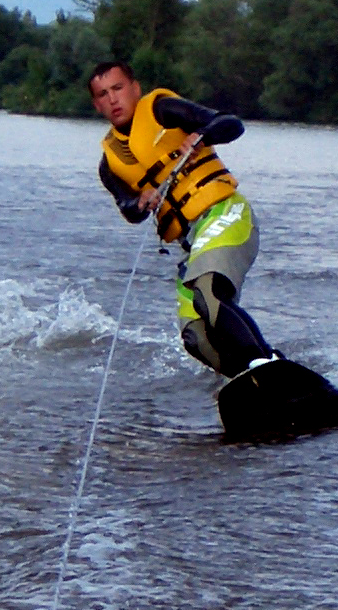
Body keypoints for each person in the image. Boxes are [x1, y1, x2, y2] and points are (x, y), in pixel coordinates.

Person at [88, 60, 278, 378]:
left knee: (208, 294)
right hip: (191, 241)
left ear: (135, 88)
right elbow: (128, 209)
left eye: (118, 88)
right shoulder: (109, 164)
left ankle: (264, 365)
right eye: (103, 94)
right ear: (97, 105)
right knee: (195, 336)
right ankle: (249, 379)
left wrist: (203, 134)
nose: (113, 99)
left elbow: (230, 124)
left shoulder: (163, 110)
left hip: (224, 213)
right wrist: (140, 202)